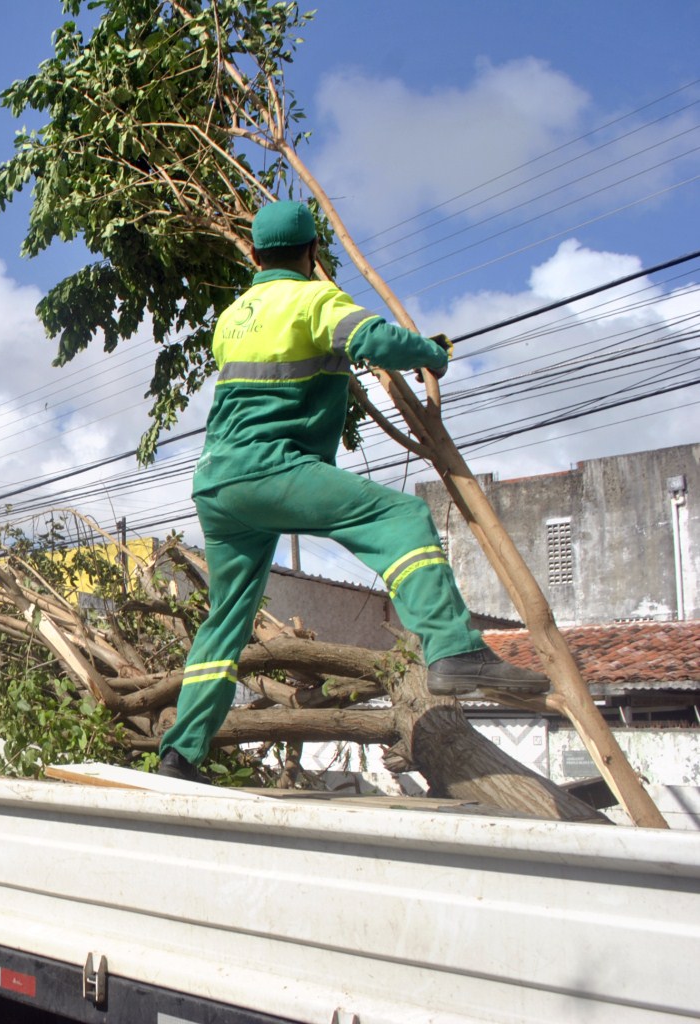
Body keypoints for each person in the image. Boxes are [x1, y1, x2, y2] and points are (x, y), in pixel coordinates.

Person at [157, 200, 550, 782]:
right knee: (401, 518)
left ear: (258, 254)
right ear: (313, 252)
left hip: (217, 482)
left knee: (226, 622)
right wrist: (431, 352)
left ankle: (180, 753)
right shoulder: (314, 298)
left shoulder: (233, 316)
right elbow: (372, 341)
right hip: (274, 470)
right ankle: (453, 650)